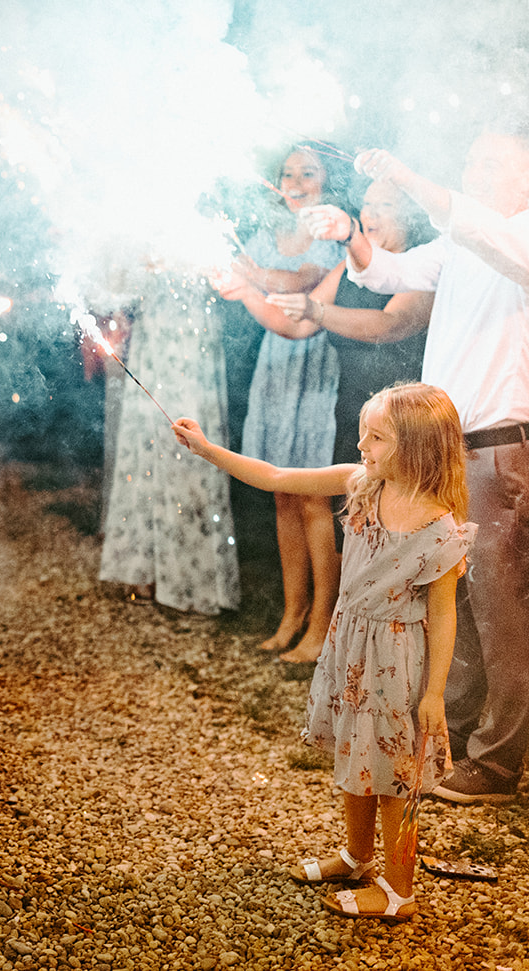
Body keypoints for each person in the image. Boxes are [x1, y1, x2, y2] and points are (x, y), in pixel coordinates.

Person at [175, 382, 471, 923]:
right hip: (351, 648)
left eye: (376, 437)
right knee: (357, 755)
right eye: (363, 434)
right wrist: (207, 449)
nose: (361, 446)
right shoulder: (362, 484)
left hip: (397, 664)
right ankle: (358, 857)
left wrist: (434, 694)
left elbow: (444, 616)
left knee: (396, 776)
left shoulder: (440, 530)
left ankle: (399, 891)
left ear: (417, 447)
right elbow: (277, 477)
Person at [304, 129, 529, 805]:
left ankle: (497, 764)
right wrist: (350, 234)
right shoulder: (460, 240)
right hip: (448, 450)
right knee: (451, 592)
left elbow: (467, 220)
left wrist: (405, 176)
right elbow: (389, 274)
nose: (474, 168)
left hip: (498, 446)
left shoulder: (516, 234)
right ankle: (452, 735)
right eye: (471, 157)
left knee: (501, 607)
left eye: (492, 161)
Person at [226, 178, 433, 660]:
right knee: (353, 527)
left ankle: (386, 653)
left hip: (404, 416)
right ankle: (328, 631)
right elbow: (293, 324)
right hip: (354, 413)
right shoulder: (349, 267)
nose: (370, 215)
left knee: (396, 533)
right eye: (367, 205)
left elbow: (387, 325)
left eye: (384, 206)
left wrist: (317, 309)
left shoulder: (421, 267)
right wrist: (245, 292)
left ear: (410, 216)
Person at [222, 147, 346, 661]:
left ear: (326, 182)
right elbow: (240, 273)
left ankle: (323, 624)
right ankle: (293, 613)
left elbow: (299, 283)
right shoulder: (264, 236)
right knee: (281, 493)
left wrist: (251, 277)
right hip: (275, 362)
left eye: (307, 173)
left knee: (314, 497)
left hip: (315, 359)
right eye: (287, 173)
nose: (295, 182)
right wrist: (235, 271)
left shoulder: (332, 234)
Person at [97, 267, 240, 615]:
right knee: (146, 445)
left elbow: (227, 276)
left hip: (191, 337)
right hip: (153, 338)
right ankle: (143, 567)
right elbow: (116, 285)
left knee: (189, 445)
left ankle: (192, 578)